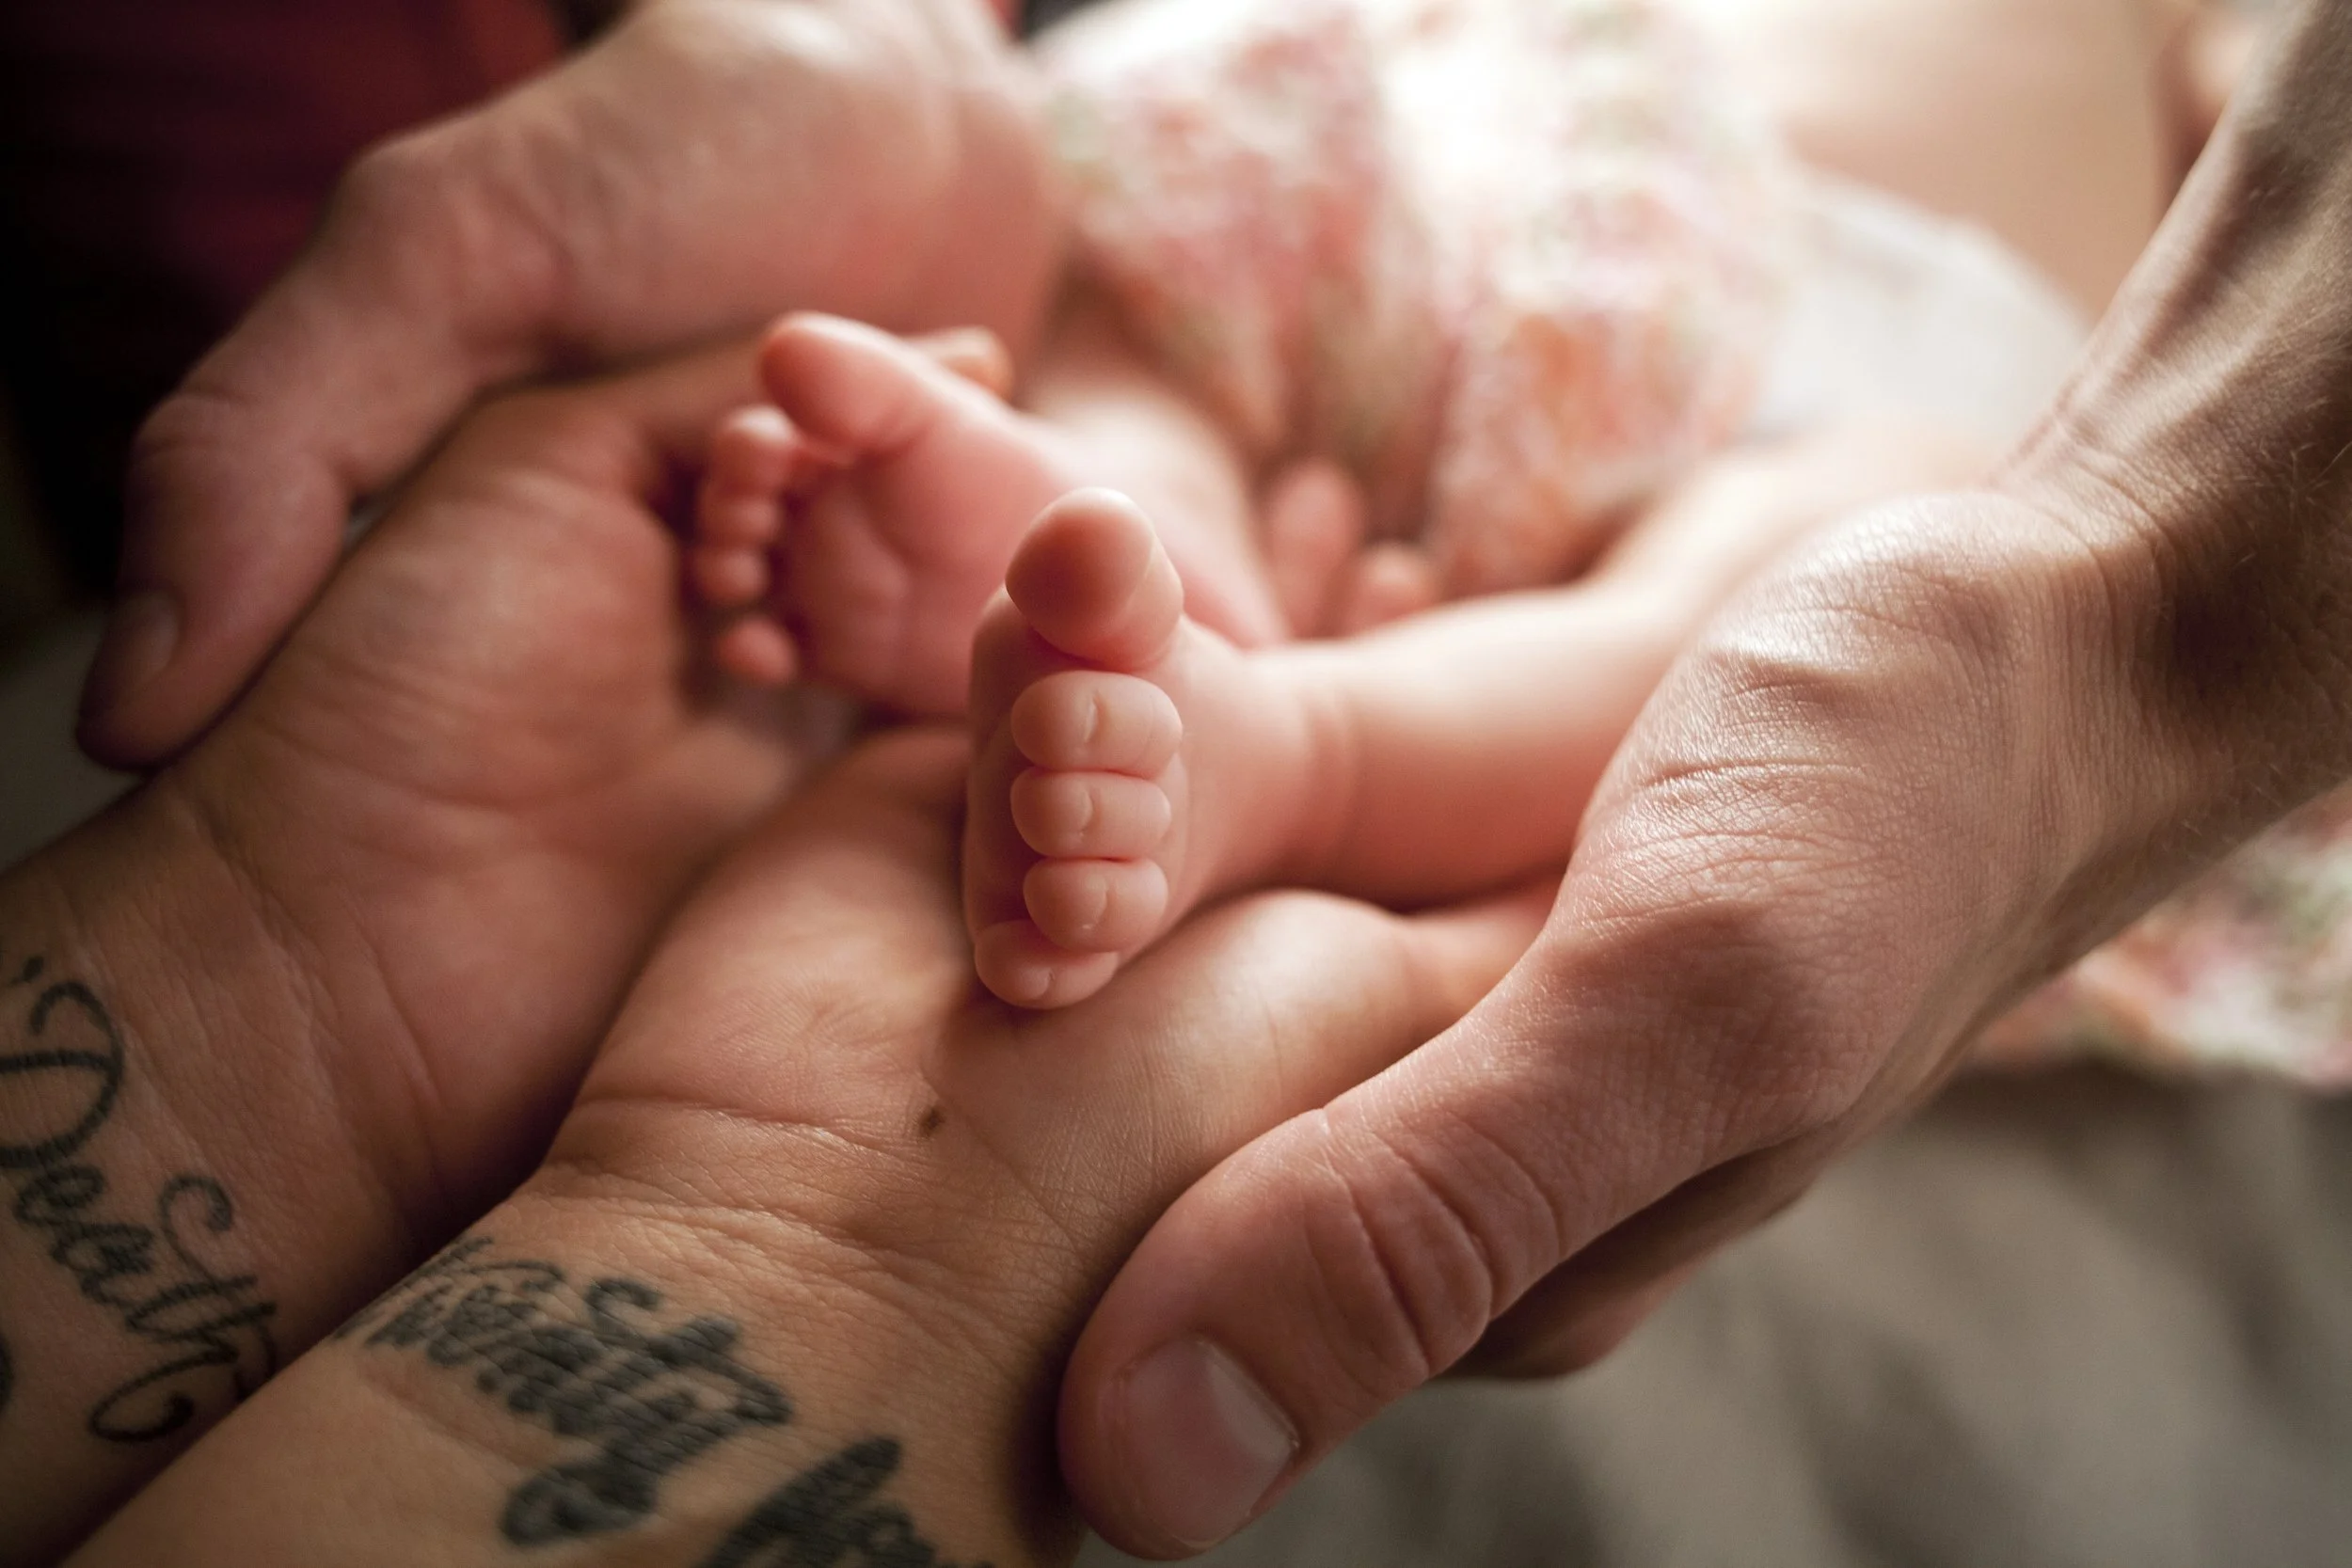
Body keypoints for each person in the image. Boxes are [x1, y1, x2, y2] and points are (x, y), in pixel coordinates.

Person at [51, 0, 2352, 1560]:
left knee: (1799, 573)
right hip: (1388, 141)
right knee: (1146, 360)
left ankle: (1273, 719)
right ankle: (1110, 555)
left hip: (1870, 351)